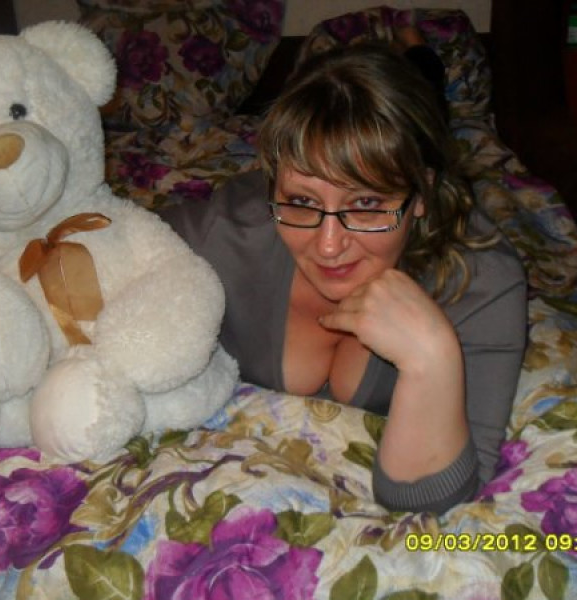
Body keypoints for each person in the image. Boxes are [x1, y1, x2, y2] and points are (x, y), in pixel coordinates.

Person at [161, 38, 527, 515]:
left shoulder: (481, 281)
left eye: (367, 203)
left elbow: (433, 499)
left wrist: (432, 359)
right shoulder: (224, 234)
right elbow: (98, 241)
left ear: (420, 194)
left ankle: (424, 62)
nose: (329, 245)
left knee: (426, 94)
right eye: (302, 202)